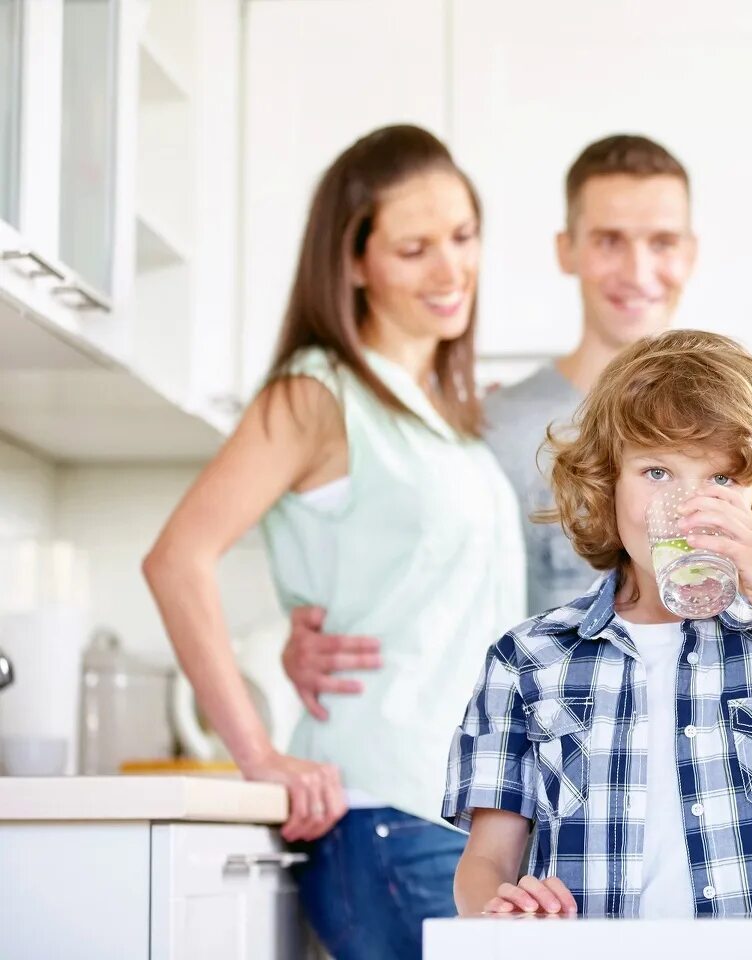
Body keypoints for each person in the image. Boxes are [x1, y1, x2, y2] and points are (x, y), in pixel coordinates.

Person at [143, 125, 524, 959]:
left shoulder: (439, 417)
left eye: (462, 238)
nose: (451, 269)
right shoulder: (316, 392)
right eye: (414, 247)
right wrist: (258, 753)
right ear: (353, 262)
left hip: (459, 820)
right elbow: (177, 560)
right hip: (387, 815)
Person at [443, 330, 752, 917]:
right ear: (606, 480)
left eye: (722, 479)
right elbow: (486, 862)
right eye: (657, 473)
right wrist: (502, 913)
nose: (688, 507)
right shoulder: (529, 660)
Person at [282, 133, 698, 716]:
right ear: (567, 250)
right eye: (609, 240)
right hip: (541, 772)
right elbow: (413, 588)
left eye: (663, 241)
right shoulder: (486, 430)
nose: (638, 270)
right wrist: (307, 640)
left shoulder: (730, 427)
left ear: (692, 252)